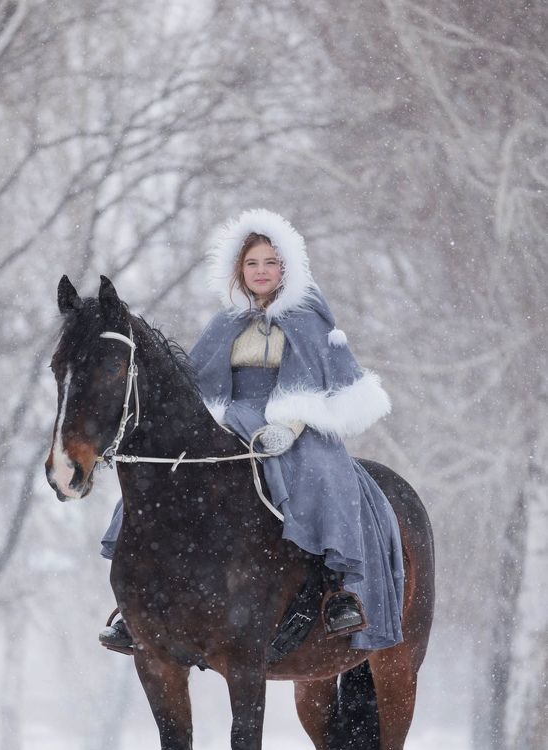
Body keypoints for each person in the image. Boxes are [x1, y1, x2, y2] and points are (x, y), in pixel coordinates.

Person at [99, 208, 404, 654]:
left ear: (287, 268)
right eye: (251, 264)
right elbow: (198, 382)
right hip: (232, 417)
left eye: (270, 263)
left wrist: (293, 424)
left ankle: (336, 588)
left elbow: (322, 378)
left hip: (294, 423)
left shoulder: (310, 315)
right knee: (160, 475)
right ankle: (138, 602)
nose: (261, 272)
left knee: (324, 471)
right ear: (238, 270)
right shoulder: (226, 320)